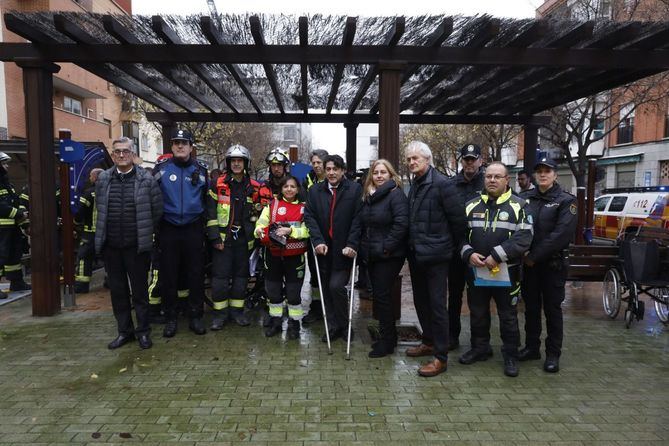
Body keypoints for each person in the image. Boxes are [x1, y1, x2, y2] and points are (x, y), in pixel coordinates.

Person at [459, 161, 533, 377]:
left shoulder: (521, 205)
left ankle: (510, 355)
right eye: (488, 176)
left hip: (507, 272)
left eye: (497, 177)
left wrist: (496, 256)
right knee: (478, 312)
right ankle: (480, 348)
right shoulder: (471, 205)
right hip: (477, 270)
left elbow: (524, 237)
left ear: (506, 180)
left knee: (508, 315)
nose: (492, 180)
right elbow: (459, 235)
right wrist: (468, 253)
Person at [95, 137, 162, 349]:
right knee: (118, 292)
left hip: (137, 247)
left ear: (132, 154)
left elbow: (157, 211)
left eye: (125, 151)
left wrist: (144, 234)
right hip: (111, 247)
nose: (121, 155)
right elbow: (100, 210)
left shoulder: (146, 179)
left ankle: (143, 332)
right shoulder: (104, 179)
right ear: (113, 155)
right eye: (117, 152)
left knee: (140, 293)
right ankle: (125, 332)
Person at [404, 141, 465, 377]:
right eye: (409, 159)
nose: (411, 162)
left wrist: (450, 248)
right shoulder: (416, 183)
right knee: (421, 301)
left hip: (438, 256)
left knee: (438, 306)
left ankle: (441, 357)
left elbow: (458, 221)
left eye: (416, 158)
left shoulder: (442, 185)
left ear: (428, 160)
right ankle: (428, 341)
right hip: (418, 254)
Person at [519, 157, 577, 373]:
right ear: (535, 175)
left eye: (547, 171)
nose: (543, 174)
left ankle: (553, 354)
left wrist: (534, 255)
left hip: (552, 265)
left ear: (555, 174)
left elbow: (560, 235)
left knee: (552, 310)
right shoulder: (525, 199)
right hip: (529, 265)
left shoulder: (566, 201)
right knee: (531, 308)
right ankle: (532, 347)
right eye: (539, 171)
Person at [206, 144, 272, 329]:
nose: (236, 164)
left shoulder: (255, 187)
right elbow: (210, 213)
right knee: (219, 278)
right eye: (233, 161)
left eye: (239, 161)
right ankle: (220, 315)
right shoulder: (217, 184)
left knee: (241, 278)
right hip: (223, 241)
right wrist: (214, 239)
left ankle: (237, 312)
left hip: (245, 241)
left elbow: (263, 213)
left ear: (246, 163)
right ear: (228, 163)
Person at [153, 129, 209, 338]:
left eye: (184, 143)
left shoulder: (201, 170)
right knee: (169, 275)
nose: (179, 146)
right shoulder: (161, 170)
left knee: (195, 274)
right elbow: (153, 198)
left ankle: (195, 316)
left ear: (191, 147)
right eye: (176, 142)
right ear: (171, 146)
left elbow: (206, 199)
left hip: (193, 228)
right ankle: (171, 317)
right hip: (169, 228)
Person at [304, 154, 362, 342]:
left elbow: (358, 219)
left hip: (344, 251)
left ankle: (345, 326)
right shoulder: (315, 191)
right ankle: (333, 326)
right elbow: (310, 218)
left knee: (336, 287)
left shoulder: (354, 190)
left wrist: (352, 244)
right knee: (326, 290)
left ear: (342, 170)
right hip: (323, 251)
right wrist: (317, 241)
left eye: (335, 169)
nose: (331, 172)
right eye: (328, 169)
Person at [359, 159, 408, 358]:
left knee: (382, 297)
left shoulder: (395, 194)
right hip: (373, 254)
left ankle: (387, 342)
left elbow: (401, 224)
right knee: (380, 297)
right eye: (376, 172)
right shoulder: (370, 196)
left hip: (388, 256)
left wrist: (386, 248)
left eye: (383, 172)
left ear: (390, 175)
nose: (379, 176)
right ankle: (389, 336)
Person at [254, 175, 309, 339]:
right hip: (273, 256)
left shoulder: (304, 208)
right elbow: (260, 225)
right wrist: (259, 231)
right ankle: (276, 322)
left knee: (293, 294)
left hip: (295, 257)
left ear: (298, 189)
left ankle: (294, 325)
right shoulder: (272, 206)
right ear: (281, 189)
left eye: (293, 186)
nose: (289, 189)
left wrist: (290, 231)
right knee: (273, 292)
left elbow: (307, 231)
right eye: (286, 187)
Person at [446, 143, 484, 351]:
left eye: (473, 159)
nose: (470, 163)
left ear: (480, 160)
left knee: (478, 298)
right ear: (461, 160)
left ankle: (479, 343)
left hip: (480, 252)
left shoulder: (489, 183)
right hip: (455, 251)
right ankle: (452, 336)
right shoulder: (451, 185)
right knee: (454, 295)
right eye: (466, 159)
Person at [301, 149, 329, 325]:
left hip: (330, 231)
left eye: (319, 162)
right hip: (313, 232)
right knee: (315, 272)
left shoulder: (333, 178)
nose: (316, 165)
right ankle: (317, 308)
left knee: (330, 273)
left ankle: (331, 306)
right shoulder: (307, 180)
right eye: (314, 162)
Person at [0, 152, 30, 297]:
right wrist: (18, 214)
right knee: (1, 256)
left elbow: (16, 202)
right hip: (1, 228)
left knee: (14, 255)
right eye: (4, 164)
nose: (6, 166)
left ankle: (16, 282)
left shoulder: (7, 184)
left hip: (11, 227)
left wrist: (24, 220)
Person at [74, 167, 103, 293]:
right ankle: (109, 282)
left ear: (95, 177)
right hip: (107, 233)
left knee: (84, 257)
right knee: (110, 258)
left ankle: (82, 285)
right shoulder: (110, 191)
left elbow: (80, 212)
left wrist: (76, 222)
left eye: (91, 176)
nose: (90, 178)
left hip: (90, 233)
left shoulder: (88, 193)